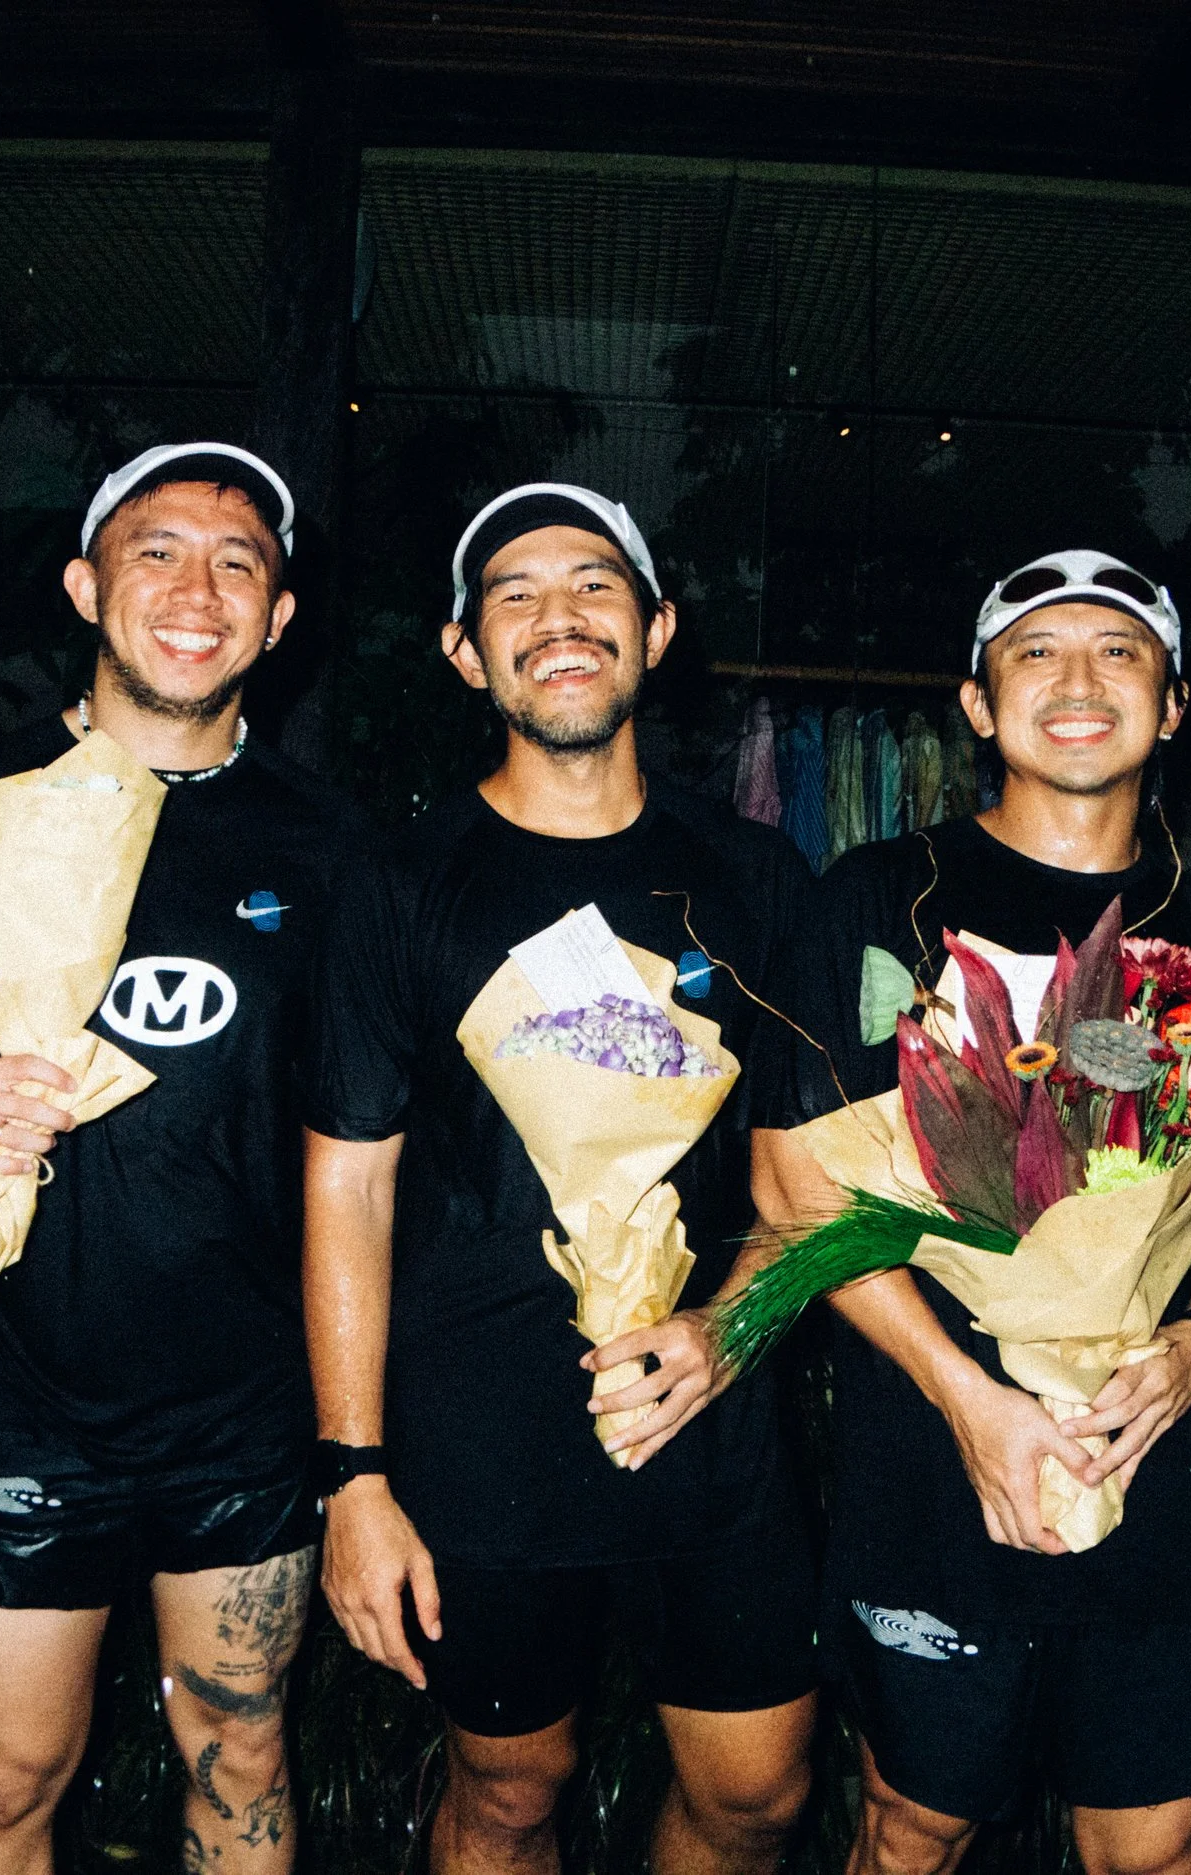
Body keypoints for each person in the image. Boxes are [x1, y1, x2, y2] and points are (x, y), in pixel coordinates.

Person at [757, 551, 1191, 1875]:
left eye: (1119, 653)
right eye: (1035, 653)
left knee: (1156, 1842)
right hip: (931, 1466)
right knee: (913, 1826)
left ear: (1174, 704)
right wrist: (967, 1396)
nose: (1077, 681)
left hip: (1158, 1466)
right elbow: (796, 1183)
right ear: (976, 700)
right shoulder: (878, 902)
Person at [0, 442, 356, 1875]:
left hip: (247, 1408)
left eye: (237, 563)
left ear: (279, 615)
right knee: (9, 1779)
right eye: (155, 552)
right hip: (22, 1392)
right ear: (85, 583)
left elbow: (368, 1143)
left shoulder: (333, 850)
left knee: (240, 1750)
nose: (197, 591)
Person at [304, 483, 819, 1874]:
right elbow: (345, 1190)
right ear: (465, 652)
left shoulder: (758, 878)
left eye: (595, 586)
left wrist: (731, 1331)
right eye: (514, 595)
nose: (560, 618)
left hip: (709, 1398)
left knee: (758, 1793)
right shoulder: (400, 881)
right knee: (514, 1790)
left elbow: (808, 1195)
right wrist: (354, 1477)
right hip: (479, 1424)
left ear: (657, 631)